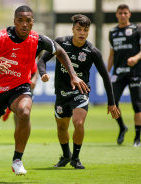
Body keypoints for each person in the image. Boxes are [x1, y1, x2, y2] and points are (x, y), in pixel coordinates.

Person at [0, 5, 89, 175]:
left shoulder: (38, 39)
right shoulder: (1, 37)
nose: (24, 24)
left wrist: (73, 75)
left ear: (33, 22)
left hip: (20, 86)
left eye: (28, 20)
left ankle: (17, 159)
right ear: (14, 22)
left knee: (24, 112)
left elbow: (60, 51)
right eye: (20, 20)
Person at [37, 14, 120, 169]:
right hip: (61, 94)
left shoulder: (92, 51)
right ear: (73, 29)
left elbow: (105, 77)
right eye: (79, 29)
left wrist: (111, 102)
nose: (82, 33)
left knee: (78, 122)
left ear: (88, 32)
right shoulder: (61, 43)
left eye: (85, 30)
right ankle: (66, 155)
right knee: (62, 127)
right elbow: (41, 60)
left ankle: (75, 158)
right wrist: (43, 74)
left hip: (80, 92)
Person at [107, 4, 141, 147]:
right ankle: (122, 127)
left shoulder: (136, 29)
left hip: (135, 73)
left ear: (129, 15)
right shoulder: (112, 32)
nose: (122, 15)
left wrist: (136, 58)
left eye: (125, 13)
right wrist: (106, 73)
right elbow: (111, 55)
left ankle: (137, 138)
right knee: (112, 103)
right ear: (116, 14)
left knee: (137, 104)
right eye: (120, 13)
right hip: (118, 73)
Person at [2, 53, 40, 124]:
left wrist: (35, 77)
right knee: (18, 110)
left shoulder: (34, 46)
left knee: (23, 111)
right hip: (17, 78)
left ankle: (9, 110)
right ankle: (9, 109)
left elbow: (40, 60)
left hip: (28, 81)